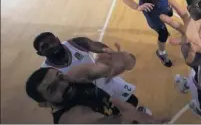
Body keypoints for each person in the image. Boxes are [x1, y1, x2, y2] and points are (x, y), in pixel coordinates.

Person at [25, 50, 161, 124]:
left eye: (60, 76)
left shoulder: (75, 77)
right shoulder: (70, 118)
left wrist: (122, 60)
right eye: (52, 89)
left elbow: (128, 63)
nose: (63, 84)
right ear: (43, 104)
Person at [33, 32, 148, 110]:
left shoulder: (76, 43)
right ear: (40, 53)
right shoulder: (46, 72)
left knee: (132, 102)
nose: (52, 46)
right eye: (45, 46)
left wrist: (107, 51)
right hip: (88, 100)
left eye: (52, 41)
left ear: (58, 39)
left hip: (106, 82)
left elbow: (95, 45)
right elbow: (46, 100)